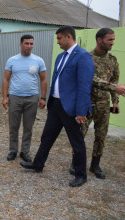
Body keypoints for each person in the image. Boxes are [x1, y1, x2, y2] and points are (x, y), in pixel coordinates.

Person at [20, 26, 95, 188]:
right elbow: (56, 81)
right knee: (47, 136)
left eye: (60, 38)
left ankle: (81, 175)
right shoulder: (61, 56)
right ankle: (38, 164)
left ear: (69, 37)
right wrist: (50, 101)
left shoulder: (83, 56)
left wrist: (82, 111)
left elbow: (84, 86)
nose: (58, 42)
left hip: (72, 108)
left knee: (77, 142)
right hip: (56, 106)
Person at [69, 28, 125, 179]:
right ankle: (76, 163)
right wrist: (115, 88)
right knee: (81, 134)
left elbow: (114, 80)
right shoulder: (87, 58)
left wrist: (115, 101)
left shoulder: (112, 60)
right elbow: (92, 80)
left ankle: (95, 165)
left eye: (113, 39)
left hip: (104, 105)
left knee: (101, 136)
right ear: (99, 40)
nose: (113, 43)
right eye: (110, 40)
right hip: (87, 104)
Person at [2, 34, 47, 163]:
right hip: (15, 97)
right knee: (13, 126)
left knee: (28, 127)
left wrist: (43, 98)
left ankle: (24, 151)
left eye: (31, 43)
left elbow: (43, 80)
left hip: (32, 98)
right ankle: (13, 150)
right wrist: (5, 97)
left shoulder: (38, 61)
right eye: (26, 43)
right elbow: (6, 79)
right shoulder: (12, 60)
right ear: (20, 44)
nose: (29, 46)